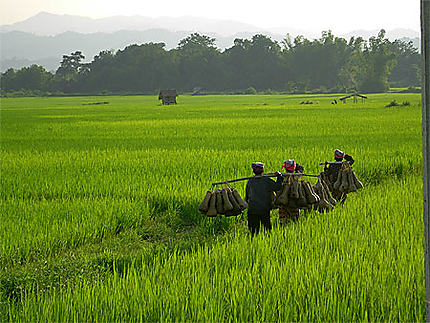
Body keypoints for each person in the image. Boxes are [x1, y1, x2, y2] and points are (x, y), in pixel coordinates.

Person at [245, 162, 283, 237]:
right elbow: (278, 187)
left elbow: (247, 197)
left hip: (252, 210)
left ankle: (253, 244)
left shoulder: (250, 181)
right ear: (263, 170)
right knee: (267, 231)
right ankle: (267, 243)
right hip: (264, 209)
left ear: (253, 171)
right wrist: (279, 176)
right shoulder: (266, 180)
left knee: (253, 232)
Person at [278, 159, 304, 225]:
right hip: (294, 203)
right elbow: (301, 169)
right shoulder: (297, 176)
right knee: (295, 222)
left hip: (283, 204)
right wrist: (296, 165)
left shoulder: (282, 176)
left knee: (283, 223)